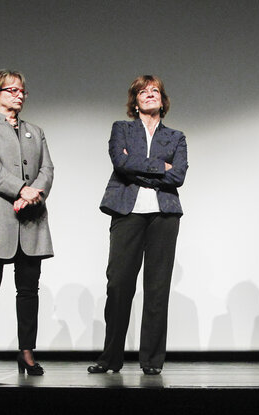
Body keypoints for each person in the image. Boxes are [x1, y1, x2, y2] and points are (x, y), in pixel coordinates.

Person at [88, 75, 188, 376]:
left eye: (155, 91)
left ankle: (152, 361)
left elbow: (179, 176)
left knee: (157, 289)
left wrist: (140, 167)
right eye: (143, 92)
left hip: (164, 214)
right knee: (118, 284)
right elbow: (121, 163)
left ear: (163, 99)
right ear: (135, 101)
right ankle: (110, 358)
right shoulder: (122, 129)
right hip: (126, 210)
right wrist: (160, 168)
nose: (149, 95)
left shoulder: (176, 136)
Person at [0, 69, 54, 377]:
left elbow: (47, 169)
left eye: (21, 91)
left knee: (29, 291)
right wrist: (20, 189)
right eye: (12, 90)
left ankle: (27, 353)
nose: (19, 95)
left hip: (30, 220)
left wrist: (33, 194)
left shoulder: (36, 131)